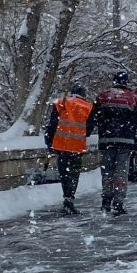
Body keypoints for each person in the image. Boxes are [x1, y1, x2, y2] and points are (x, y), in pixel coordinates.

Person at [43, 83, 95, 215]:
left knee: (64, 173)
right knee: (74, 173)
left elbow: (53, 124)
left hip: (61, 145)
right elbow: (88, 130)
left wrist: (49, 142)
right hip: (77, 146)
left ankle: (66, 197)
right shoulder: (88, 107)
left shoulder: (61, 103)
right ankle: (70, 198)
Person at [92, 71, 137, 215]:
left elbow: (94, 116)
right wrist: (134, 140)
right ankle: (118, 203)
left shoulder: (102, 96)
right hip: (125, 141)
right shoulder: (132, 98)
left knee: (107, 172)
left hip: (107, 140)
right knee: (121, 173)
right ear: (126, 82)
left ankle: (106, 201)